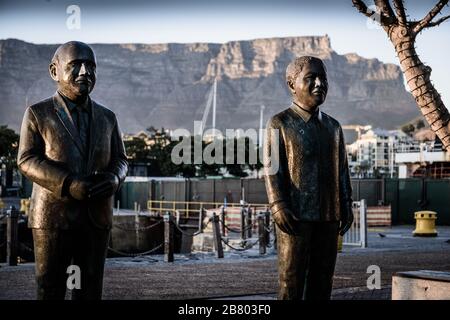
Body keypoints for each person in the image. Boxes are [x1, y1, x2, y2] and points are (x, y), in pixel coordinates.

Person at [17, 41, 128, 300]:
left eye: (90, 66)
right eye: (75, 65)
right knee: (50, 289)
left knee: (89, 291)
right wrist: (68, 183)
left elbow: (121, 159)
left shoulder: (107, 117)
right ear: (54, 71)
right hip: (52, 219)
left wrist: (114, 179)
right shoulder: (37, 114)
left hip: (96, 218)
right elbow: (25, 159)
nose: (84, 72)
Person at [263, 56, 353, 300]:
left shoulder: (334, 127)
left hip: (329, 217)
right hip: (295, 217)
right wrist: (278, 204)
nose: (319, 84)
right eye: (310, 78)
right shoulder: (280, 123)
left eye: (322, 78)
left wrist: (346, 205)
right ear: (292, 84)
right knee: (291, 280)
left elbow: (343, 171)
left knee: (323, 279)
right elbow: (271, 169)